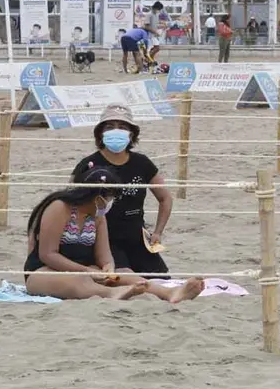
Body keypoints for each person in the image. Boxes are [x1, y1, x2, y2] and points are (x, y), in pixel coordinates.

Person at [69, 106, 204, 301]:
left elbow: (165, 198)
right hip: (104, 237)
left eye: (122, 126)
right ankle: (167, 295)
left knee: (162, 278)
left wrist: (158, 232)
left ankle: (169, 291)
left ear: (132, 134)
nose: (116, 131)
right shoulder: (89, 165)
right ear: (100, 133)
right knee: (122, 274)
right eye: (110, 126)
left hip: (137, 236)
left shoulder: (142, 163)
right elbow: (70, 201)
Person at [25, 165, 204, 302]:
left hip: (85, 269)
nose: (111, 202)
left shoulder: (98, 215)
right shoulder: (59, 208)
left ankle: (169, 293)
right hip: (44, 271)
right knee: (78, 281)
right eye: (109, 197)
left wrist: (107, 268)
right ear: (96, 196)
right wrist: (86, 271)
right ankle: (112, 293)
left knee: (123, 274)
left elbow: (104, 256)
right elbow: (48, 254)